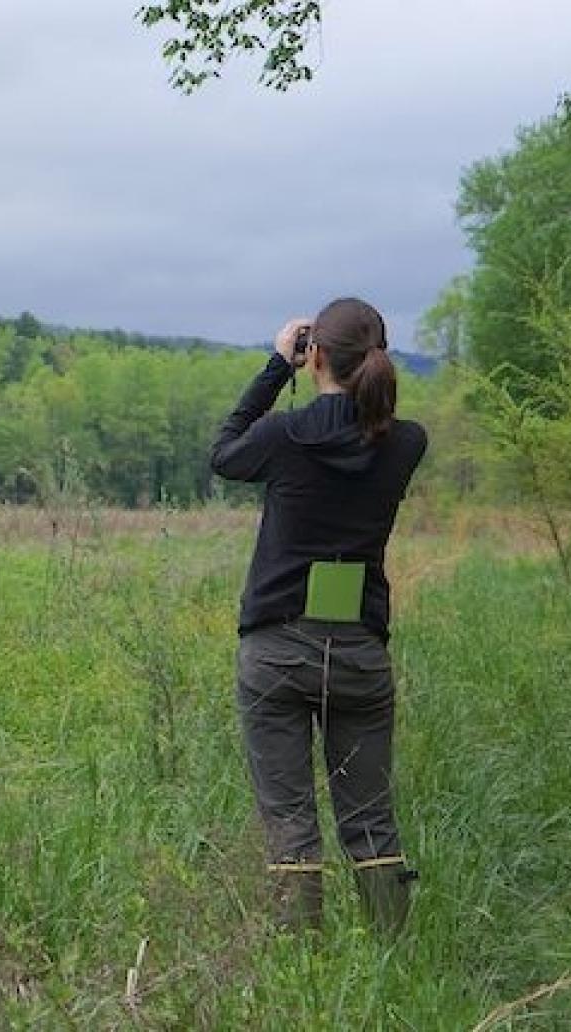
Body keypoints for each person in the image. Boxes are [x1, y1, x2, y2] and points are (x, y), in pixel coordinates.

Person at [210, 297, 427, 934]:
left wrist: (277, 367)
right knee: (371, 824)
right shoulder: (406, 444)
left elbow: (224, 452)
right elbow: (372, 424)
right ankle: (393, 963)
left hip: (275, 649)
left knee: (291, 826)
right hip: (359, 650)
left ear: (317, 356)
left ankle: (302, 975)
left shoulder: (283, 437)